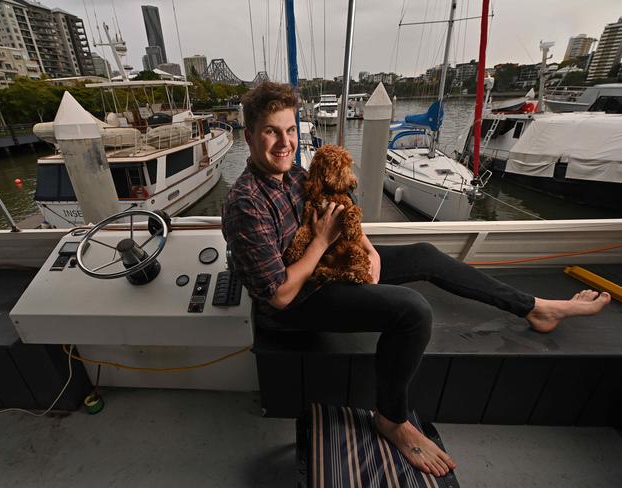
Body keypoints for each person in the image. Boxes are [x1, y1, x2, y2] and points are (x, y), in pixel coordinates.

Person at [221, 82, 611, 478]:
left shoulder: (294, 174)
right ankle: (391, 419)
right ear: (250, 135)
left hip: (326, 266)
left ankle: (536, 308)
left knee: (424, 254)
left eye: (290, 130)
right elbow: (280, 296)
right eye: (271, 131)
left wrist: (369, 253)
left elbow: (338, 207)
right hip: (296, 303)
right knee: (411, 311)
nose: (284, 142)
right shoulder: (246, 204)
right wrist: (322, 243)